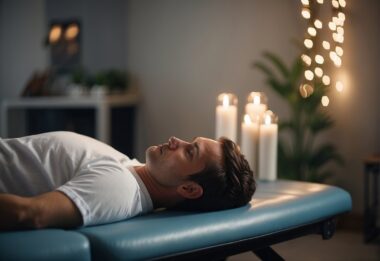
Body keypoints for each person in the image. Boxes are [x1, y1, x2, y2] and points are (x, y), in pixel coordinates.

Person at [0, 131, 256, 231]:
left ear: (189, 188)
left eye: (190, 151)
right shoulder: (132, 168)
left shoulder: (119, 187)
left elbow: (30, 214)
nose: (177, 140)